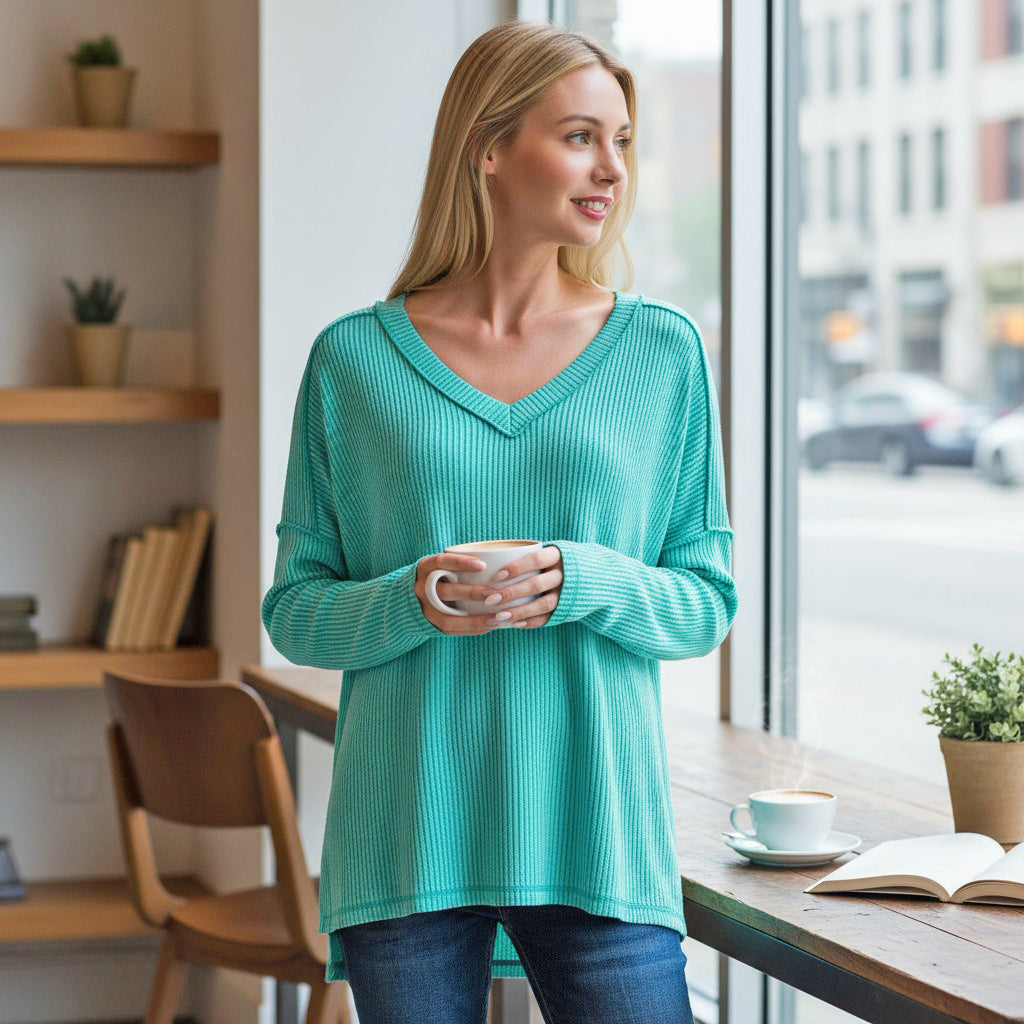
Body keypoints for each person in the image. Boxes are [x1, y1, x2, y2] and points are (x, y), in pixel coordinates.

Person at [262, 18, 738, 1024]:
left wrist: (583, 578)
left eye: (621, 140)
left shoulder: (663, 353)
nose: (609, 167)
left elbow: (704, 604)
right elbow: (295, 613)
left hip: (599, 839)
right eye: (577, 136)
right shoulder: (353, 361)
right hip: (406, 840)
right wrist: (412, 599)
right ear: (486, 147)